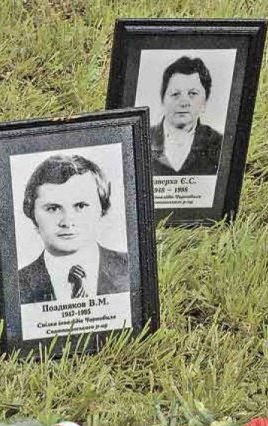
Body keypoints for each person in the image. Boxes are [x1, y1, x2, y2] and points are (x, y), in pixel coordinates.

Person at [17, 155, 129, 304]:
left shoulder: (130, 267)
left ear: (101, 208)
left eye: (81, 206)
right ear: (32, 213)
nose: (67, 222)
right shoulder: (16, 284)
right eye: (53, 208)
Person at [151, 56, 223, 176]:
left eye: (193, 93)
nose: (183, 103)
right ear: (162, 100)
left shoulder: (219, 144)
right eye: (175, 94)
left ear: (204, 102)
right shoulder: (143, 139)